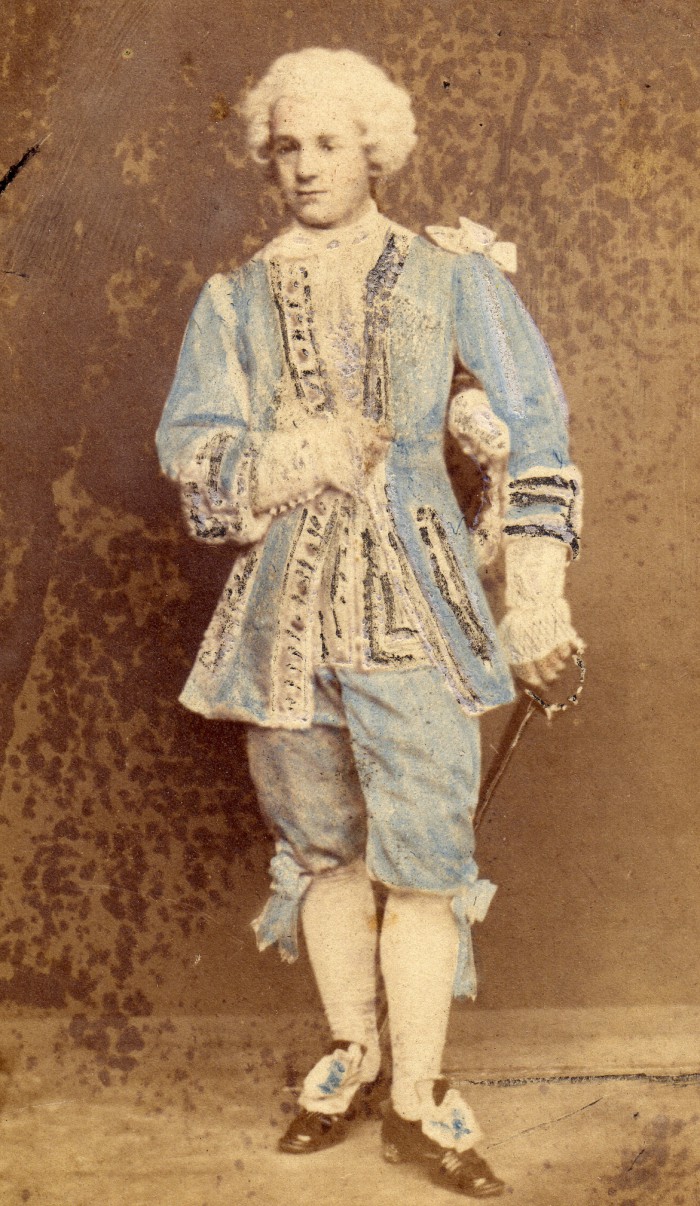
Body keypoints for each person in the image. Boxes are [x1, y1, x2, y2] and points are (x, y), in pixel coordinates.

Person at [156, 47, 583, 1199]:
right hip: (280, 628)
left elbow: (537, 431)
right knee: (324, 851)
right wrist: (291, 456)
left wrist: (534, 593)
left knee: (428, 859)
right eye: (284, 147)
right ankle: (353, 1051)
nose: (302, 167)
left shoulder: (453, 273)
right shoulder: (234, 299)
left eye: (327, 144)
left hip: (420, 613)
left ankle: (417, 1100)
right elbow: (195, 461)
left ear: (375, 148)